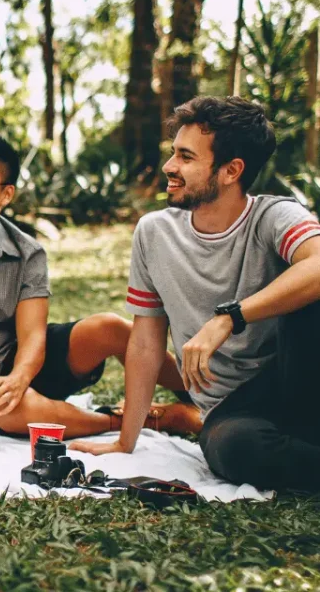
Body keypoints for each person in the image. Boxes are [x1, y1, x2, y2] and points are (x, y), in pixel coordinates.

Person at [0, 130, 200, 439]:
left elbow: (33, 335)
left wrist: (19, 377)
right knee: (11, 409)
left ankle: (206, 398)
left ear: (6, 194)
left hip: (22, 361)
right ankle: (143, 419)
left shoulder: (27, 252)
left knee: (110, 327)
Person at [73, 96, 320, 492]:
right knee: (233, 449)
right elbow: (145, 345)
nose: (170, 167)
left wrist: (230, 317)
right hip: (233, 410)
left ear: (231, 170)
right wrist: (126, 440)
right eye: (173, 154)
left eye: (186, 157)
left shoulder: (275, 216)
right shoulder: (154, 233)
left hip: (298, 380)